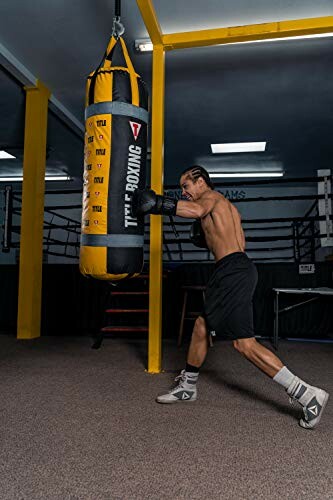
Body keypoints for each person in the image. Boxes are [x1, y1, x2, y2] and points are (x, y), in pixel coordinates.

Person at [131, 165, 329, 429]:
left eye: (186, 186)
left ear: (200, 181)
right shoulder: (229, 209)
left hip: (232, 271)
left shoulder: (209, 198)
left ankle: (307, 394)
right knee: (202, 325)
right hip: (234, 267)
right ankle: (188, 386)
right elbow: (240, 244)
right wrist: (210, 238)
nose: (184, 192)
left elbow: (198, 210)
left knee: (244, 344)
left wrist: (157, 204)